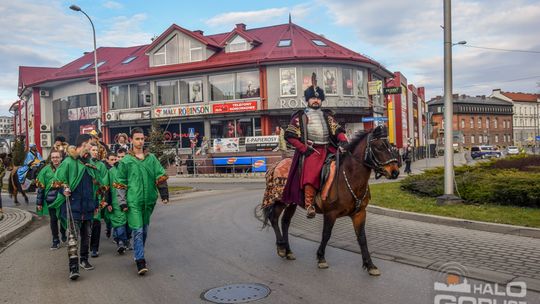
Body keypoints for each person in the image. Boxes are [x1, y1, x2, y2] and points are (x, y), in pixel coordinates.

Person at [282, 73, 348, 218]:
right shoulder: (301, 117)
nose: (316, 100)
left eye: (318, 98)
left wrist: (343, 140)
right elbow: (290, 136)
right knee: (311, 173)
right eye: (313, 98)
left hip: (329, 148)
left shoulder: (327, 115)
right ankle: (309, 204)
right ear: (308, 100)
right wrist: (304, 149)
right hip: (312, 151)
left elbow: (337, 129)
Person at [114, 128, 169, 275]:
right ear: (131, 140)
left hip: (148, 201)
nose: (140, 141)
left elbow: (160, 175)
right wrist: (123, 202)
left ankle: (139, 251)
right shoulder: (126, 161)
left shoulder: (151, 159)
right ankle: (140, 261)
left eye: (142, 139)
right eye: (137, 139)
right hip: (133, 202)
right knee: (137, 230)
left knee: (144, 230)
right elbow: (120, 183)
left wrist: (164, 194)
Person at [50, 134, 105, 280]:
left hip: (88, 206)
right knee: (73, 237)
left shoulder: (89, 163)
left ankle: (84, 259)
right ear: (84, 144)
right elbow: (57, 182)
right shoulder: (68, 162)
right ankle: (73, 267)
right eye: (90, 144)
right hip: (72, 205)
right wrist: (64, 189)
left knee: (86, 235)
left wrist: (97, 199)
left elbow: (97, 184)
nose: (92, 147)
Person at [36, 149, 66, 249]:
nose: (55, 159)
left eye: (57, 157)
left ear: (61, 158)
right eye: (53, 157)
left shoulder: (66, 168)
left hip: (63, 199)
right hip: (51, 200)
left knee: (63, 218)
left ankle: (63, 232)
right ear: (51, 158)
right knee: (53, 220)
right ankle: (55, 240)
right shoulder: (45, 170)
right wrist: (39, 203)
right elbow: (41, 188)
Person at [105, 150, 131, 254]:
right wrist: (109, 202)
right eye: (119, 157)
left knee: (129, 225)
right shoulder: (111, 171)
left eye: (123, 156)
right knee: (119, 223)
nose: (120, 159)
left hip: (130, 201)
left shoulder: (130, 169)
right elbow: (107, 187)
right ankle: (120, 242)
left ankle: (127, 240)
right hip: (116, 203)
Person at [88, 143, 111, 258]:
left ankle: (94, 248)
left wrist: (99, 183)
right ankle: (86, 245)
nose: (95, 152)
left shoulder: (101, 165)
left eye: (97, 150)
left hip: (97, 197)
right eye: (93, 150)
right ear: (89, 151)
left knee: (96, 222)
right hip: (86, 197)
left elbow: (105, 181)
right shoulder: (85, 163)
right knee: (87, 224)